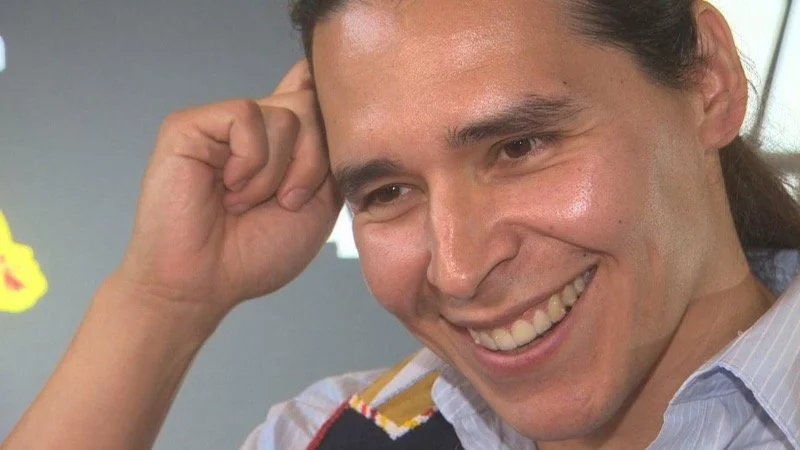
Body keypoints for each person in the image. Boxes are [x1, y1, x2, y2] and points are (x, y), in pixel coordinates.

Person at [2, 0, 800, 448]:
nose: (456, 267)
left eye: (520, 146)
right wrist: (164, 303)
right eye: (386, 191)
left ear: (708, 80)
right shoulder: (332, 434)